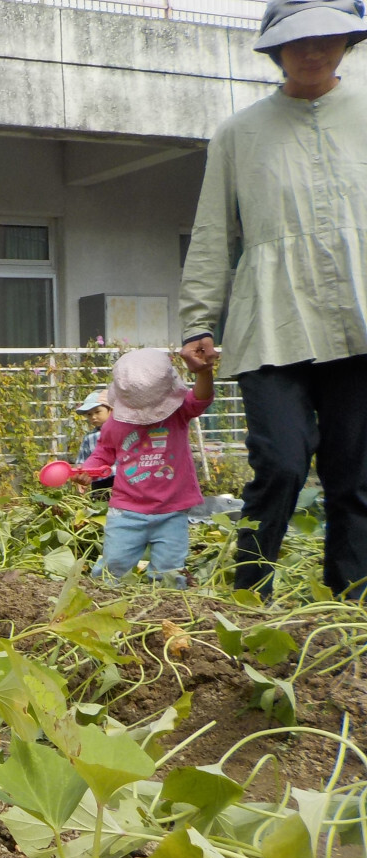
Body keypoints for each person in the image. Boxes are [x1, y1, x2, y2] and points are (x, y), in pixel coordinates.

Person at [180, 0, 367, 600]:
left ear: (347, 42)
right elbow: (214, 233)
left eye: (328, 38)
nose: (314, 52)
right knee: (280, 463)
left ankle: (352, 617)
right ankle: (248, 601)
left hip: (359, 321)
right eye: (298, 41)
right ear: (275, 49)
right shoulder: (239, 133)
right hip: (272, 321)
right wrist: (198, 322)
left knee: (355, 480)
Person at [80, 349, 215, 586]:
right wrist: (88, 471)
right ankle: (101, 601)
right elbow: (102, 453)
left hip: (172, 510)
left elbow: (201, 399)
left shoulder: (177, 412)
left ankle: (167, 610)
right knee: (115, 565)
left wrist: (204, 372)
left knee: (170, 571)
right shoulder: (115, 423)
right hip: (127, 511)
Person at [72, 389, 115, 494]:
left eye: (97, 412)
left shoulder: (121, 431)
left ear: (111, 410)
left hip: (119, 479)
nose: (94, 417)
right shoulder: (89, 437)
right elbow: (83, 460)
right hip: (98, 482)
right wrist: (81, 475)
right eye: (89, 414)